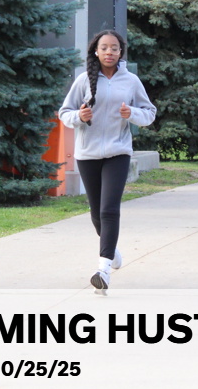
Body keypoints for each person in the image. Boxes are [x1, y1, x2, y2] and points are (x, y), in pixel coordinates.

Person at [58, 30, 156, 292]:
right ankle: (112, 252)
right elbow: (64, 113)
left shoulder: (131, 81)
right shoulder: (83, 80)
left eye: (114, 48)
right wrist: (79, 116)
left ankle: (103, 270)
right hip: (87, 154)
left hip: (118, 152)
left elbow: (149, 113)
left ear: (120, 52)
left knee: (109, 209)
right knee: (96, 213)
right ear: (96, 51)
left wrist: (131, 113)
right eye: (104, 47)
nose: (109, 52)